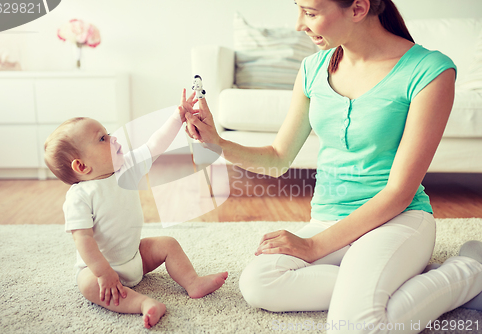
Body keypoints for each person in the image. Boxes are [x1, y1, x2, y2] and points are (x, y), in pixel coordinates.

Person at [183, 0, 482, 332]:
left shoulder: (429, 71)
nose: (298, 24)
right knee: (259, 283)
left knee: (356, 326)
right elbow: (278, 158)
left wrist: (312, 247)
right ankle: (407, 278)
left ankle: (471, 269)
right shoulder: (313, 68)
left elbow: (400, 192)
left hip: (397, 220)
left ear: (357, 8)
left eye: (310, 12)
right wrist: (217, 143)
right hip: (328, 220)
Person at [44, 89, 228, 329]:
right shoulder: (79, 196)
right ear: (82, 166)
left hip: (134, 256)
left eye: (108, 134)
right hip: (103, 269)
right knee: (87, 284)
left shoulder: (126, 167)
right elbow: (83, 240)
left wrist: (178, 115)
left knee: (168, 244)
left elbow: (155, 145)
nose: (113, 139)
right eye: (102, 139)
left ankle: (193, 282)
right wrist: (102, 272)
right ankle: (143, 304)